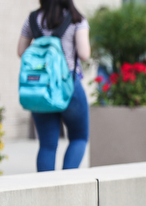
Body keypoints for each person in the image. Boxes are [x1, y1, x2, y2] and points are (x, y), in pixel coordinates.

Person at [17, 0, 90, 172]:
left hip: (41, 89)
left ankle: (45, 192)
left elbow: (21, 52)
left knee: (47, 145)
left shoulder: (33, 19)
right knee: (79, 138)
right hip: (68, 88)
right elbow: (84, 54)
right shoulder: (76, 19)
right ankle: (66, 183)